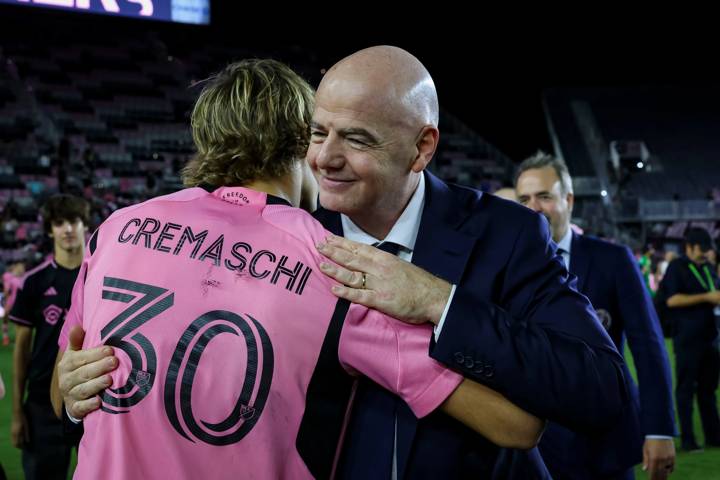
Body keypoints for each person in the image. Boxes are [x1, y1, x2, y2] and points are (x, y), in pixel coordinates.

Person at [52, 59, 542, 479]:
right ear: (301, 141)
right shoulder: (331, 263)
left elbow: (63, 390)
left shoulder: (119, 228)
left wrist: (70, 395)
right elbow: (516, 426)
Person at [307, 46, 628, 478]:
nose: (324, 157)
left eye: (357, 138)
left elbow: (600, 389)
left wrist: (439, 300)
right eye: (317, 132)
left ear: (422, 147)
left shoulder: (507, 234)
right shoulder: (294, 232)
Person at [515, 152, 676, 480]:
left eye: (544, 196)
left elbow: (648, 346)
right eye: (524, 199)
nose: (533, 207)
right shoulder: (508, 266)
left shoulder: (613, 259)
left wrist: (659, 429)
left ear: (569, 200)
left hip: (604, 441)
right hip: (532, 442)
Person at [9, 194, 89, 480]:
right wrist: (18, 412)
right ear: (49, 230)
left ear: (84, 225)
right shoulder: (34, 281)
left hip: (88, 398)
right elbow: (21, 349)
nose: (68, 229)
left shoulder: (99, 276)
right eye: (59, 223)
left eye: (74, 221)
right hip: (42, 403)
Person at [660, 226, 720, 451]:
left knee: (708, 390)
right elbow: (672, 300)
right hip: (687, 338)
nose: (704, 254)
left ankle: (714, 436)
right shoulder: (677, 267)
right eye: (700, 249)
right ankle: (688, 440)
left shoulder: (707, 268)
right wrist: (707, 296)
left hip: (709, 337)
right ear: (689, 247)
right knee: (685, 389)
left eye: (707, 250)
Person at [2, 261, 25, 345]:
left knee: (17, 322)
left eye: (23, 268)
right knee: (6, 319)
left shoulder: (23, 278)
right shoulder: (8, 276)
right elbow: (6, 291)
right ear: (15, 267)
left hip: (17, 303)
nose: (22, 269)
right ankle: (5, 337)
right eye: (21, 267)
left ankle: (14, 339)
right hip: (10, 302)